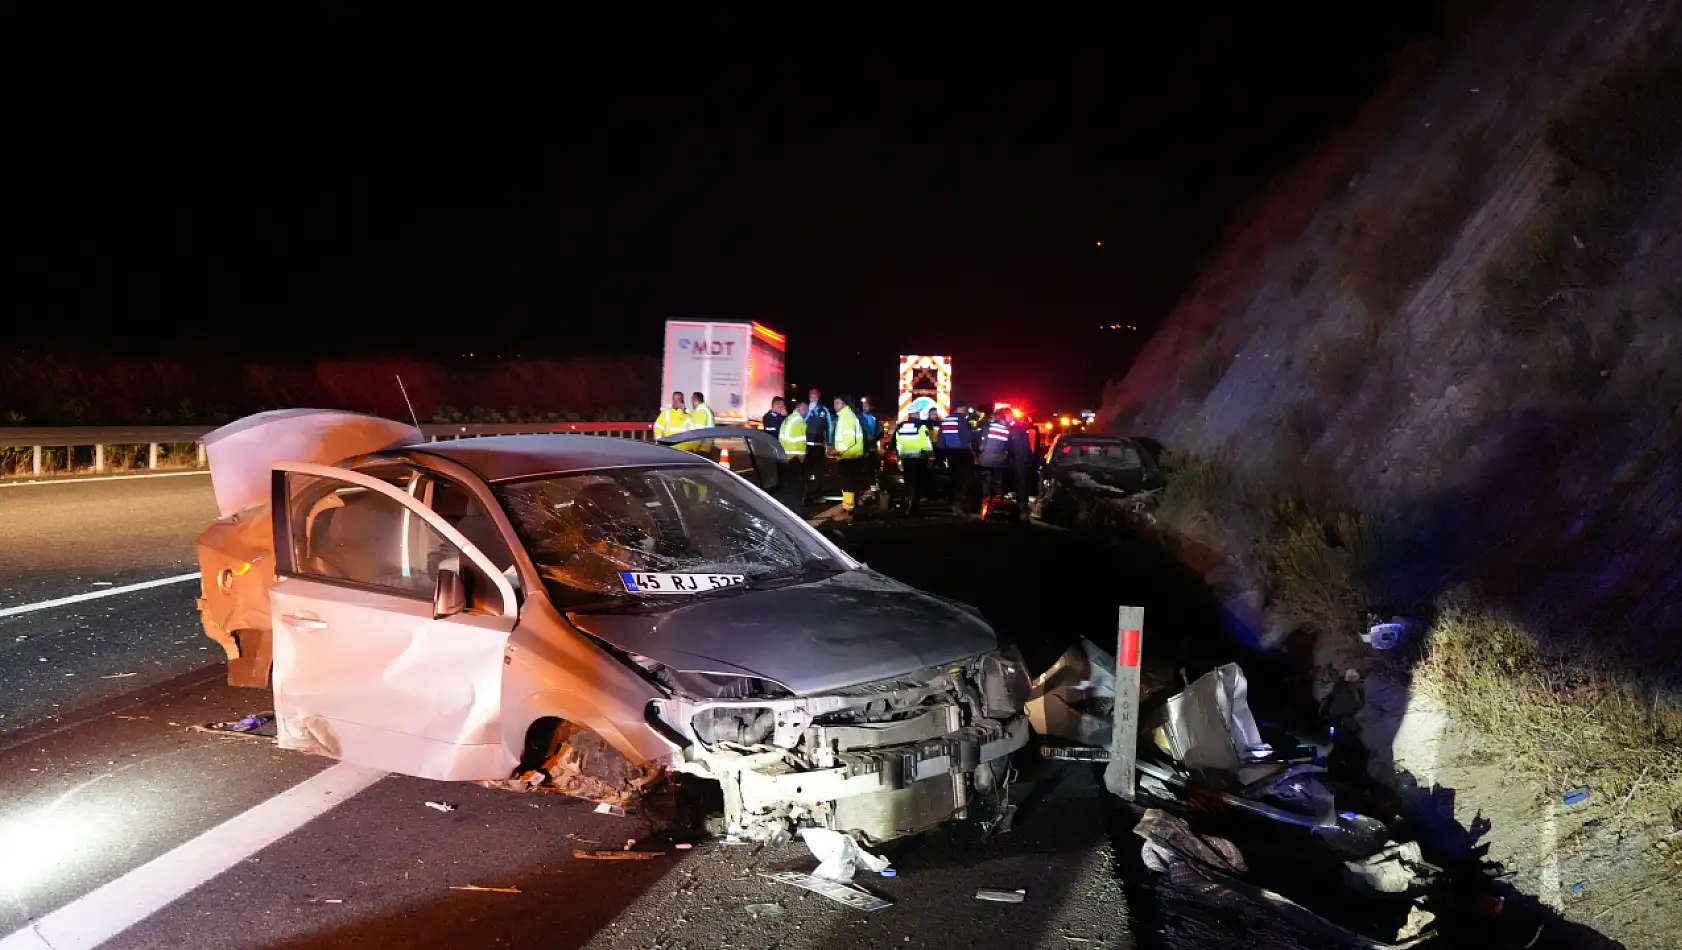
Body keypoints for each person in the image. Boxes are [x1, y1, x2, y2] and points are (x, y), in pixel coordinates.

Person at [937, 401, 978, 515]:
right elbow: (968, 438)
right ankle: (959, 504)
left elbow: (941, 441)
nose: (966, 411)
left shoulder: (945, 420)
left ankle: (953, 504)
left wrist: (942, 454)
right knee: (964, 480)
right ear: (960, 408)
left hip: (950, 453)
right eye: (965, 408)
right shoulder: (962, 420)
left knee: (953, 479)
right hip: (963, 453)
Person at [894, 409, 934, 516]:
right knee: (918, 483)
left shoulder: (901, 426)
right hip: (919, 458)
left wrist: (899, 457)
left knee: (909, 482)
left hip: (906, 458)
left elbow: (898, 443)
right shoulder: (921, 426)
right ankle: (914, 506)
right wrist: (931, 456)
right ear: (916, 414)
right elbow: (926, 443)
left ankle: (909, 503)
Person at [831, 394, 865, 519]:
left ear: (844, 404)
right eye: (835, 403)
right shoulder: (846, 416)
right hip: (849, 455)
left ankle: (848, 510)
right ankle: (848, 508)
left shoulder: (847, 417)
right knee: (848, 484)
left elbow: (849, 439)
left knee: (848, 484)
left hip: (849, 456)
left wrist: (837, 450)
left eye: (838, 403)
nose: (835, 406)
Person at [800, 388, 832, 502]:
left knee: (819, 472)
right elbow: (801, 422)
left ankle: (817, 494)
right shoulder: (805, 409)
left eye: (815, 397)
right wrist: (809, 412)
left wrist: (830, 443)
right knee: (806, 471)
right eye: (811, 397)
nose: (813, 398)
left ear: (818, 397)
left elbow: (829, 427)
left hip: (819, 445)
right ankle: (805, 494)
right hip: (807, 445)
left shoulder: (824, 410)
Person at [776, 399, 808, 511]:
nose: (806, 413)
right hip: (795, 458)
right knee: (796, 487)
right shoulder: (799, 421)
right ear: (801, 409)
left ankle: (786, 508)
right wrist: (803, 458)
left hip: (785, 456)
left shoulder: (788, 419)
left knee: (788, 486)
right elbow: (801, 443)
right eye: (806, 410)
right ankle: (796, 511)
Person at [978, 410, 1012, 502]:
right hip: (999, 461)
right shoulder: (1006, 430)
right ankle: (997, 505)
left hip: (985, 460)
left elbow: (981, 445)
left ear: (994, 417)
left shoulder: (986, 428)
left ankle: (985, 505)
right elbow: (1008, 447)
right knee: (998, 482)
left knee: (986, 483)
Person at [1008, 412, 1036, 522]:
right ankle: (1022, 508)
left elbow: (1014, 447)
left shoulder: (1016, 430)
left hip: (1019, 460)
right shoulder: (1027, 431)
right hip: (1024, 460)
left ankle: (1021, 508)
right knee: (1022, 485)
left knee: (1020, 484)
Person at [858, 396, 882, 499]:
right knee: (862, 469)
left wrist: (874, 437)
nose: (865, 407)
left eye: (867, 405)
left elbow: (881, 431)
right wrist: (865, 438)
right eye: (863, 405)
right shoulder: (858, 418)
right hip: (862, 448)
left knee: (872, 469)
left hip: (872, 448)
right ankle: (862, 490)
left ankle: (873, 491)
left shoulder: (875, 418)